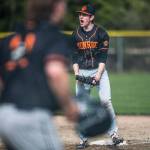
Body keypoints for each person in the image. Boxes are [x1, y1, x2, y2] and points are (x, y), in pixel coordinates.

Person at [0, 0, 79, 149]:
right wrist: (69, 107)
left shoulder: (11, 40)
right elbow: (54, 72)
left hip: (4, 117)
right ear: (57, 7)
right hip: (31, 118)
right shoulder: (53, 37)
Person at [72, 3, 124, 149]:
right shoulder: (75, 34)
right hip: (82, 71)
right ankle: (83, 139)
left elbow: (103, 57)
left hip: (99, 71)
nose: (81, 17)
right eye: (80, 14)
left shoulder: (101, 34)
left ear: (92, 17)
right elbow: (74, 57)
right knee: (80, 107)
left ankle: (114, 135)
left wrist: (98, 75)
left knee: (106, 101)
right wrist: (77, 75)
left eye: (85, 15)